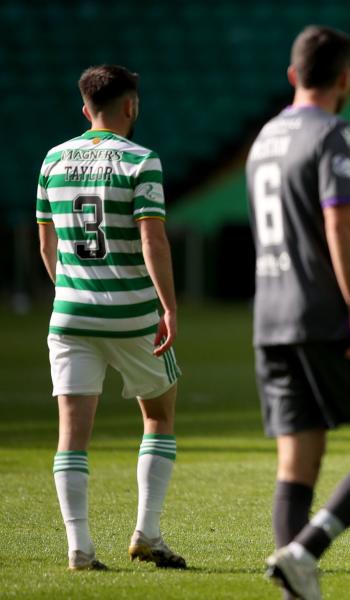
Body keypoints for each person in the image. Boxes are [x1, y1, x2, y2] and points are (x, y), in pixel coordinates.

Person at [248, 26, 350, 600]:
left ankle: (296, 585)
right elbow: (339, 222)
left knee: (297, 465)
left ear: (293, 76)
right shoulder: (332, 132)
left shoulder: (264, 138)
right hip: (322, 316)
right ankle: (305, 551)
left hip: (270, 317)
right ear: (346, 78)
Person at [35, 64, 184, 571]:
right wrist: (168, 304)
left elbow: (46, 242)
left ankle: (79, 547)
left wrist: (72, 291)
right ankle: (147, 532)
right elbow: (152, 238)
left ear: (85, 108)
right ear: (131, 106)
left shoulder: (52, 159)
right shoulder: (141, 160)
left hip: (70, 315)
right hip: (133, 314)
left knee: (71, 435)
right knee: (159, 416)